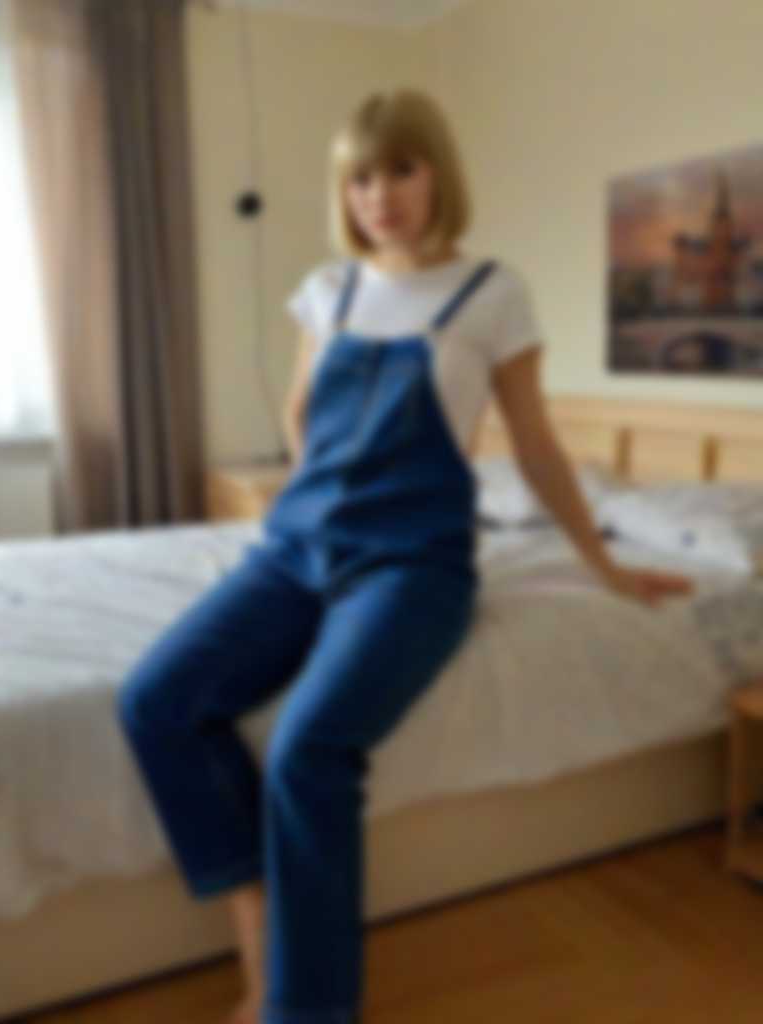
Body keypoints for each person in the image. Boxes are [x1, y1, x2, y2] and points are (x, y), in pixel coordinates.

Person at [116, 88, 695, 1024]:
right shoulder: (328, 289)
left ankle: (306, 1009)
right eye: (359, 178)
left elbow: (535, 444)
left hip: (411, 566)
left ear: (438, 176)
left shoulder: (491, 293)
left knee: (310, 747)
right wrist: (314, 493)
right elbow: (300, 410)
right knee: (156, 699)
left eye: (400, 170)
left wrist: (603, 563)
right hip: (297, 550)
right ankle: (260, 931)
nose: (378, 195)